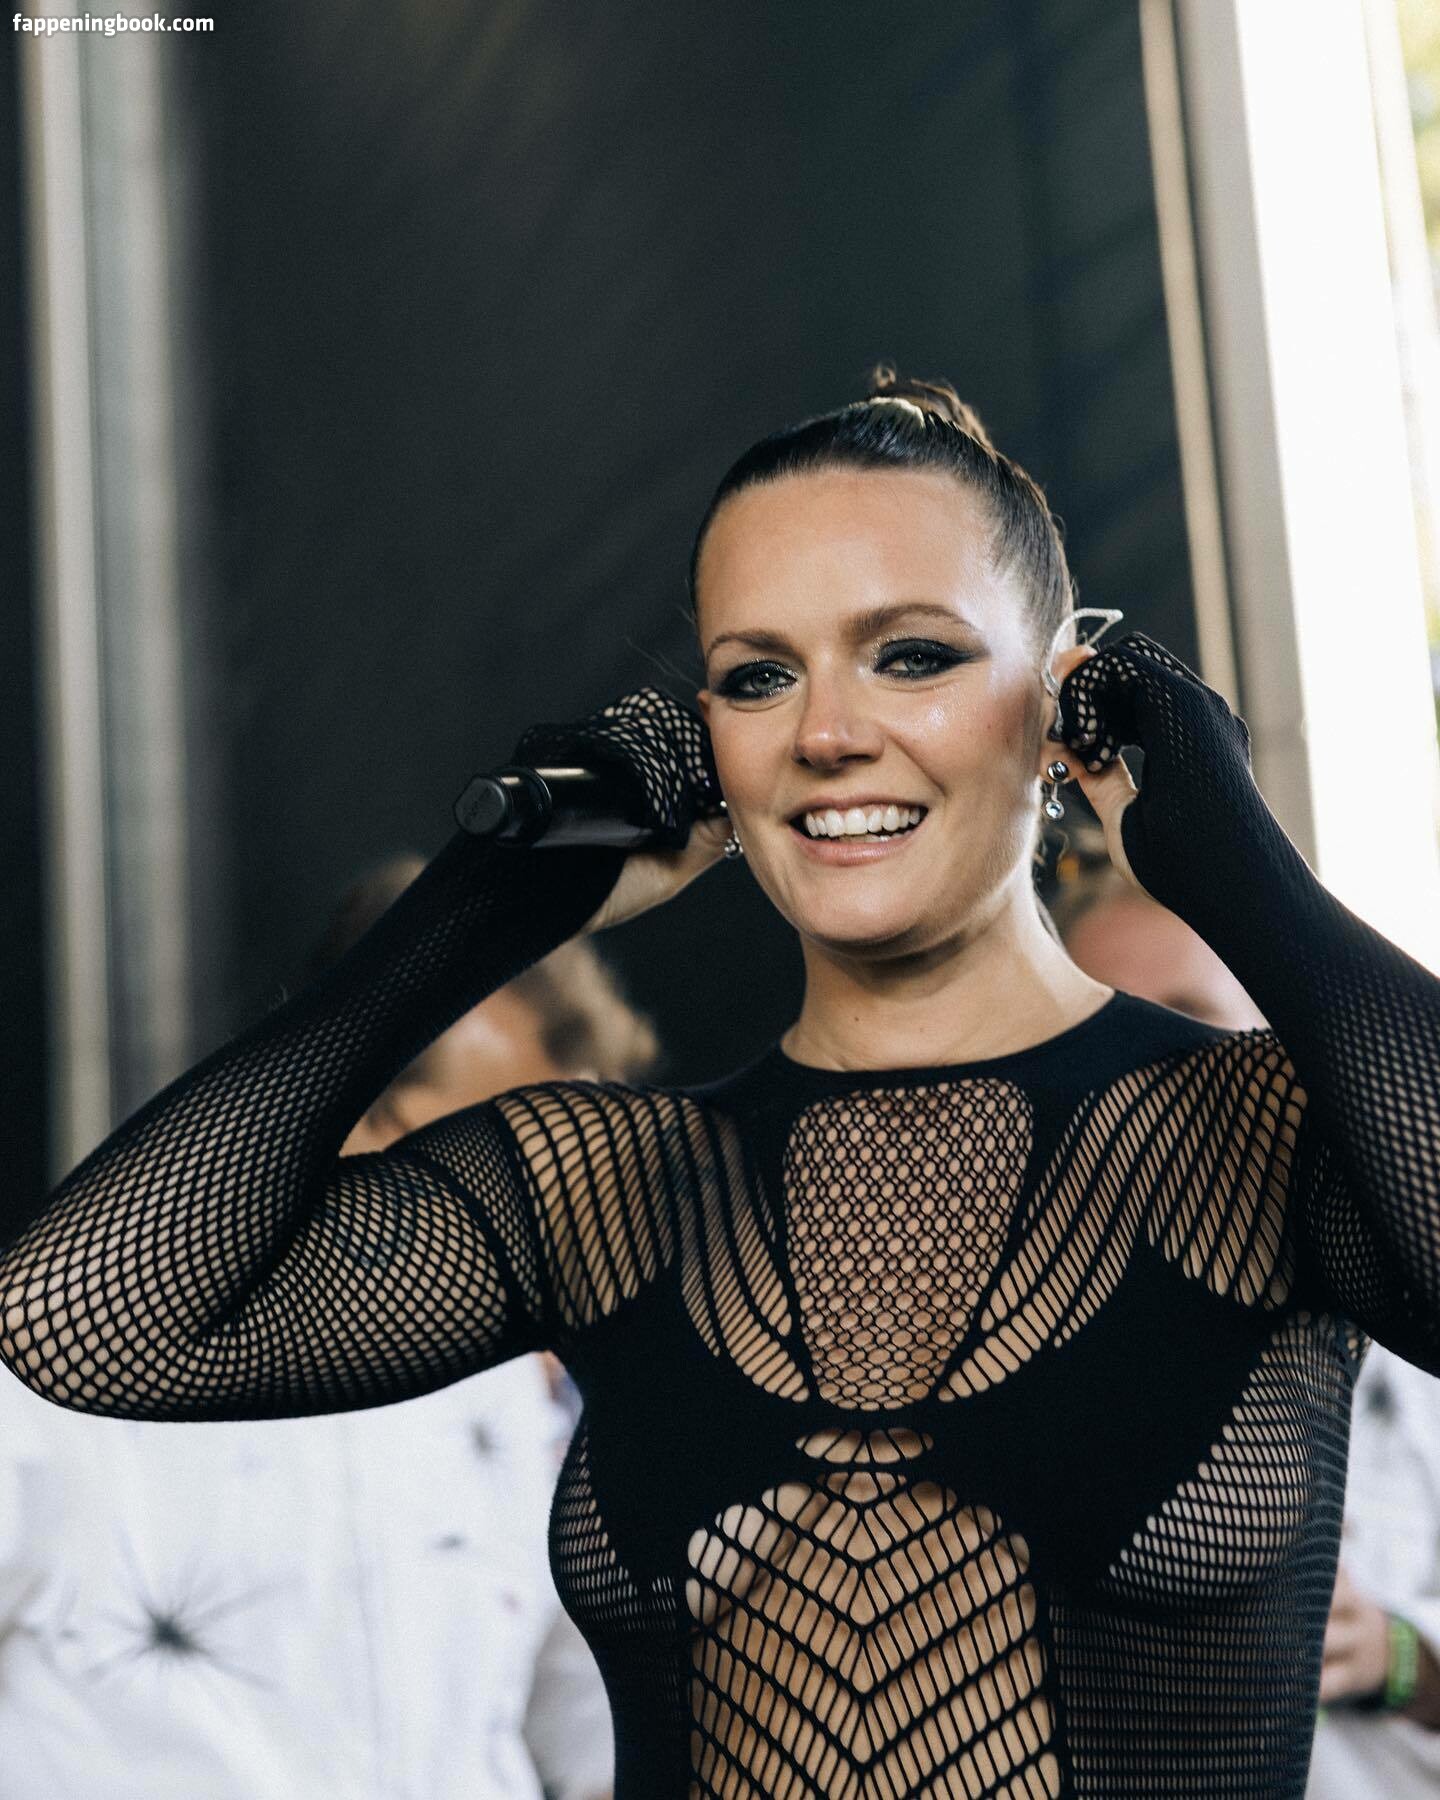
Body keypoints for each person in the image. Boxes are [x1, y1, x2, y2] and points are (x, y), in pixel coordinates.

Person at [4, 366, 1440, 1799]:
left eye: (912, 656)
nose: (826, 732)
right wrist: (489, 905)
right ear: (709, 744)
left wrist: (1232, 859)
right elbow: (89, 1313)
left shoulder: (1257, 1131)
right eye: (761, 674)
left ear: (1062, 706)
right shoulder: (612, 1184)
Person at [0, 862, 638, 1800]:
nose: (546, 1207)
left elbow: (593, 1728)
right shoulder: (69, 1355)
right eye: (504, 1154)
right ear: (354, 1105)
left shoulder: (528, 1391)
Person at [1052, 831, 1440, 1795]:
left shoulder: (1412, 1313)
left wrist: (1394, 1657)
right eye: (1098, 1030)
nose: (1137, 1075)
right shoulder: (998, 1341)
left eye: (1185, 1025)